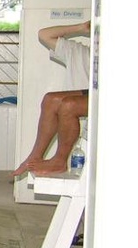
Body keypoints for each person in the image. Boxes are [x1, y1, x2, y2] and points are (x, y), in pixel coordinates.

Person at [11, 20, 92, 179]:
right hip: (94, 96)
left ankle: (60, 161)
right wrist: (81, 28)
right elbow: (44, 34)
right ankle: (35, 156)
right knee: (51, 99)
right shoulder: (83, 53)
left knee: (69, 105)